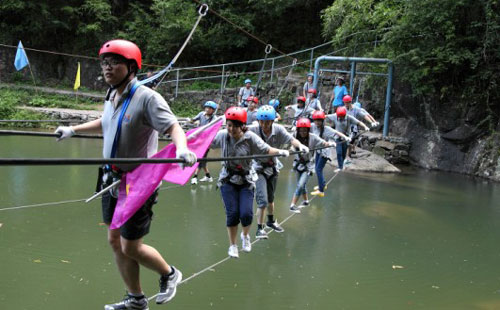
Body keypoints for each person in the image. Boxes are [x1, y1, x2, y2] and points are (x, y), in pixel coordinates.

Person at [55, 39, 197, 310]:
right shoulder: (112, 94)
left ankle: (169, 274)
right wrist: (73, 130)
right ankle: (135, 299)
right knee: (114, 240)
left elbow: (173, 126)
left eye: (115, 62)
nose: (107, 68)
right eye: (104, 62)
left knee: (130, 246)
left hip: (138, 183)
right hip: (111, 179)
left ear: (131, 67)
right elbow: (106, 123)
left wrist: (182, 148)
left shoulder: (147, 97)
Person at [210, 106, 289, 258]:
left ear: (242, 126)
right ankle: (232, 245)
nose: (232, 129)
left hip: (246, 180)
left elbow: (265, 149)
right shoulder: (222, 136)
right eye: (229, 125)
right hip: (227, 180)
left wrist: (280, 152)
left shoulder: (250, 137)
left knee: (246, 214)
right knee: (232, 214)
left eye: (235, 126)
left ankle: (245, 236)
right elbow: (205, 142)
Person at [248, 106, 309, 239]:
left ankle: (270, 221)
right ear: (258, 121)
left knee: (271, 199)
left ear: (273, 121)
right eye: (262, 122)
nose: (264, 125)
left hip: (273, 167)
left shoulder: (279, 130)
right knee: (263, 201)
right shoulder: (253, 129)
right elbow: (239, 132)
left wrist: (300, 146)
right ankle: (260, 228)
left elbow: (291, 139)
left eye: (268, 122)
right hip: (258, 168)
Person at [289, 118, 332, 213]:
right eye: (301, 130)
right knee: (301, 185)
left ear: (308, 130)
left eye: (305, 130)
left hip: (308, 166)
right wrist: (291, 149)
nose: (303, 132)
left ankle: (292, 205)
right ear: (298, 130)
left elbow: (323, 142)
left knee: (300, 185)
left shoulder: (313, 137)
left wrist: (330, 144)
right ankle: (306, 201)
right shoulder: (295, 136)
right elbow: (291, 143)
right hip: (297, 164)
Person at [310, 111, 349, 197]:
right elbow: (304, 126)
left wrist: (345, 137)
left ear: (322, 120)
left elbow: (337, 132)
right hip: (318, 150)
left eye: (319, 120)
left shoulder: (327, 129)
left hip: (324, 152)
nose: (317, 122)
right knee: (316, 168)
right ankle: (323, 184)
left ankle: (321, 190)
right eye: (316, 120)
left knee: (318, 170)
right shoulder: (313, 126)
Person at [326, 106, 369, 172]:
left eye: (341, 116)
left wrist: (365, 127)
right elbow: (325, 116)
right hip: (338, 137)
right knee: (339, 152)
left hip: (346, 138)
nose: (340, 118)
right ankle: (340, 167)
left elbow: (358, 122)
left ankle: (342, 164)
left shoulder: (349, 118)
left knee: (343, 153)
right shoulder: (334, 116)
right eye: (339, 116)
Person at [190, 100, 218, 185]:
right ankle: (208, 176)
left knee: (200, 159)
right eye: (207, 107)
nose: (207, 109)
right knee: (203, 160)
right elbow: (193, 120)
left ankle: (195, 177)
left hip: (207, 142)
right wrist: (190, 121)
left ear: (213, 110)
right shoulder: (201, 114)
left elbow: (214, 131)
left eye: (210, 108)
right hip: (199, 140)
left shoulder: (214, 119)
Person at [342, 95, 377, 161]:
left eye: (347, 102)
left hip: (353, 128)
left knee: (349, 142)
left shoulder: (356, 109)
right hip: (345, 127)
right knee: (346, 142)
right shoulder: (343, 108)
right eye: (345, 103)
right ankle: (347, 155)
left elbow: (365, 116)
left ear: (350, 102)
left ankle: (348, 156)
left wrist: (372, 122)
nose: (346, 104)